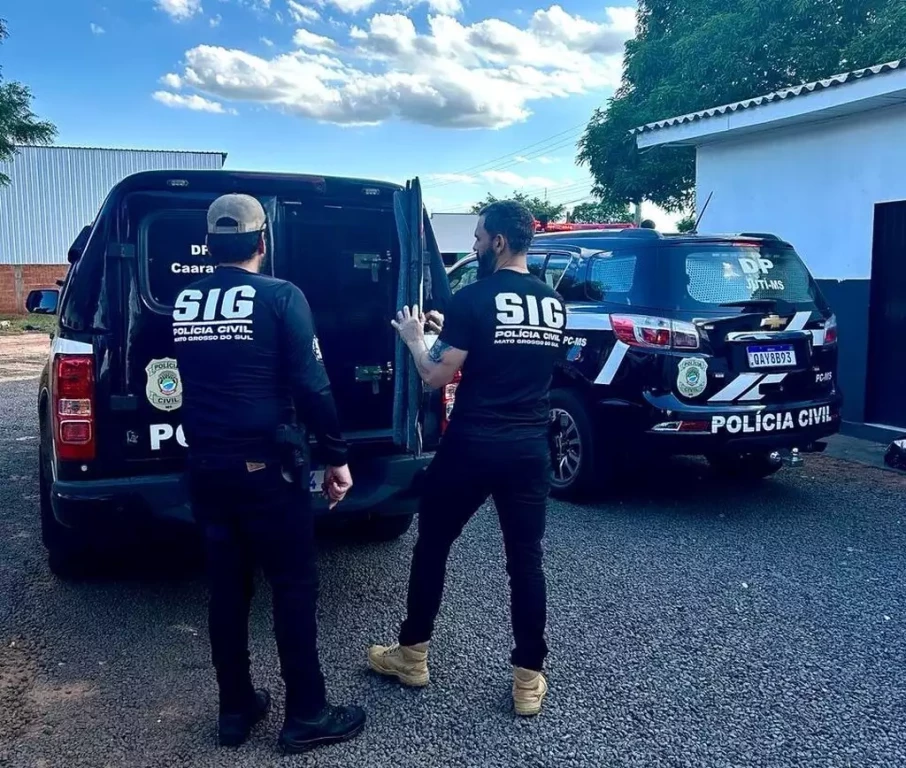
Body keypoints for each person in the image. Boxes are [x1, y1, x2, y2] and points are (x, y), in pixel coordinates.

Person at [172, 194, 366, 752]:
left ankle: (235, 709)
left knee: (227, 591)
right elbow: (312, 384)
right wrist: (337, 455)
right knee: (293, 587)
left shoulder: (186, 300)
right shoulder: (282, 296)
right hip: (267, 470)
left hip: (205, 466)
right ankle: (306, 713)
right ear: (263, 242)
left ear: (210, 245)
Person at [367, 200, 566, 716]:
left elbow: (435, 375)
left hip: (474, 444)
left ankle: (412, 655)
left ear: (498, 241)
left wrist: (416, 338)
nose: (474, 244)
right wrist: (450, 325)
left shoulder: (474, 297)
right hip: (529, 448)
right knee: (525, 560)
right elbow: (509, 351)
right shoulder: (552, 302)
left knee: (432, 544)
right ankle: (528, 680)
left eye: (479, 237)